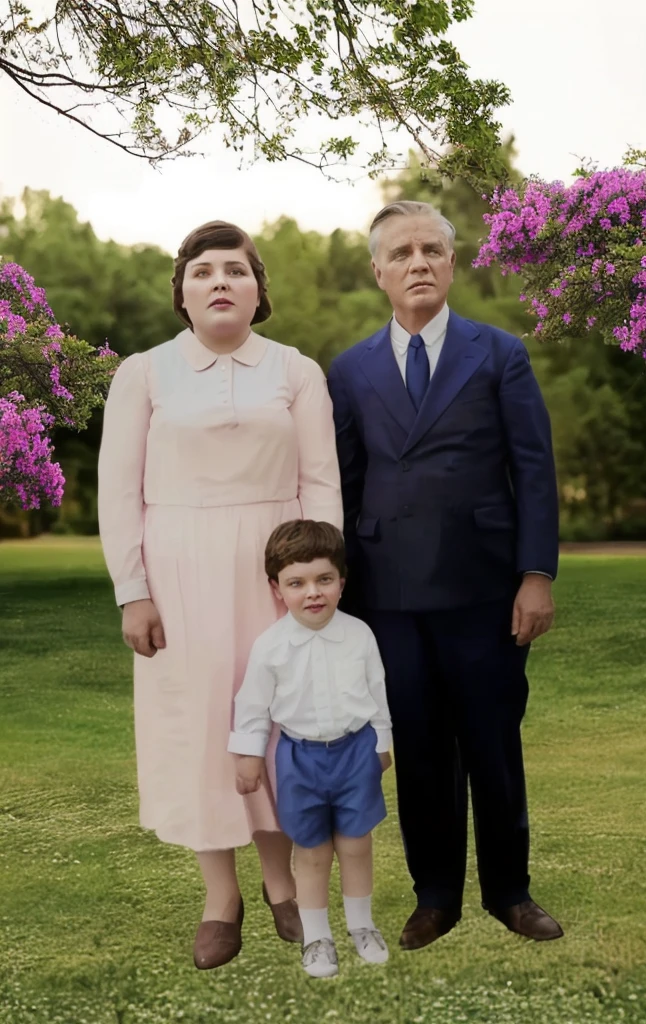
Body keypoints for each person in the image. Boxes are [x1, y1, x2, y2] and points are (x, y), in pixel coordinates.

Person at [97, 221, 343, 970]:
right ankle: (219, 899)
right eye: (202, 272)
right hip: (178, 577)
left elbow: (321, 482)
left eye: (235, 269)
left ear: (258, 289)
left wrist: (318, 583)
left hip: (276, 570)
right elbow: (119, 491)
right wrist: (132, 591)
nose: (220, 282)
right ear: (182, 293)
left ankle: (282, 886)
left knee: (275, 727)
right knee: (201, 729)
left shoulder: (296, 372)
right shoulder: (142, 374)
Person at [326, 200, 563, 950]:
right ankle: (435, 897)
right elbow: (344, 483)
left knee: (492, 743)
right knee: (421, 749)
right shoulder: (350, 369)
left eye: (432, 249)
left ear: (453, 263)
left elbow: (534, 471)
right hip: (389, 596)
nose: (418, 263)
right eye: (401, 253)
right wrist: (341, 597)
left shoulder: (499, 354)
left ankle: (511, 893)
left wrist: (536, 574)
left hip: (487, 590)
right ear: (378, 272)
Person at [228, 520, 392, 978]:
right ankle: (317, 937)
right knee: (313, 851)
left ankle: (362, 925)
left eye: (324, 579)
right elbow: (253, 705)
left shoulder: (359, 634)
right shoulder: (271, 646)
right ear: (277, 589)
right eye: (296, 583)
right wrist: (247, 755)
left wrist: (382, 742)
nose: (312, 593)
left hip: (356, 752)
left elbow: (377, 691)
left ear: (342, 581)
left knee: (357, 845)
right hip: (299, 761)